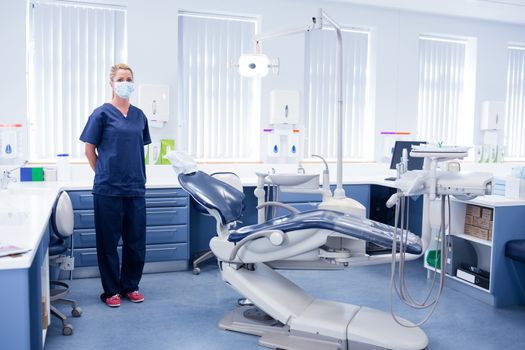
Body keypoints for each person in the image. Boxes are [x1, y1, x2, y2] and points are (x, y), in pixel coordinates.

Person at [80, 63, 151, 308]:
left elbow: (136, 149)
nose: (125, 82)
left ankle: (130, 285)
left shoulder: (139, 115)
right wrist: (103, 172)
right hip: (108, 189)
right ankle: (111, 290)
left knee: (136, 242)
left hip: (135, 188)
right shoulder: (101, 114)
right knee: (108, 243)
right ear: (111, 83)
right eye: (120, 79)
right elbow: (89, 149)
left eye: (128, 78)